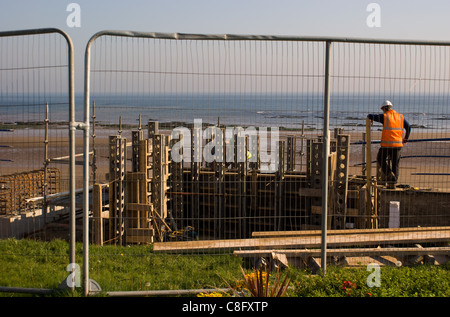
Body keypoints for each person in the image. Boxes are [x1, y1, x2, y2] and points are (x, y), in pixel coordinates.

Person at [367, 100, 411, 188]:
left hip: (386, 145)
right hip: (398, 145)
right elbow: (408, 127)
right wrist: (406, 138)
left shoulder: (385, 116)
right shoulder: (400, 117)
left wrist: (370, 118)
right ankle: (393, 183)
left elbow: (370, 115)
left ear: (384, 109)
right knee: (395, 164)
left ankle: (388, 173)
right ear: (391, 107)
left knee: (380, 159)